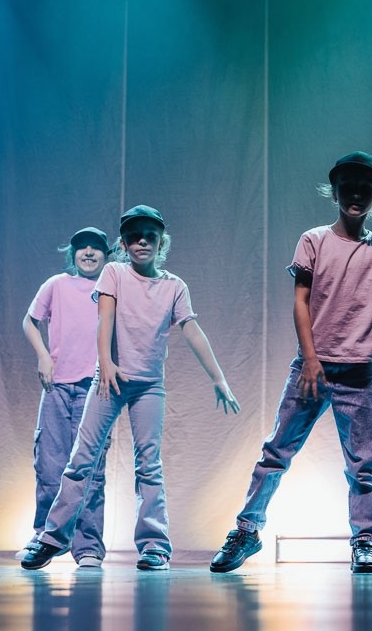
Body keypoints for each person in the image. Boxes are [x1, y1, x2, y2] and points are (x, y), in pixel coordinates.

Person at [209, 151, 372, 575]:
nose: (356, 195)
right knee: (276, 453)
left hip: (358, 373)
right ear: (334, 192)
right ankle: (247, 531)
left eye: (365, 188)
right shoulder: (314, 240)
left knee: (362, 465)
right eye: (347, 187)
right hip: (312, 370)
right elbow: (300, 301)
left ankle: (364, 541)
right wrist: (311, 359)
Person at [21, 205, 240, 571]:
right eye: (134, 237)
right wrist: (105, 362)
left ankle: (155, 545)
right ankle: (53, 537)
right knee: (80, 460)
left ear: (161, 242)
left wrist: (218, 378)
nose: (142, 242)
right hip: (109, 381)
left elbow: (192, 330)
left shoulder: (174, 286)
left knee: (149, 465)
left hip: (148, 386)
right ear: (123, 244)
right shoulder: (115, 273)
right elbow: (104, 318)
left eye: (149, 236)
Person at [17, 227, 112, 568]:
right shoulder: (57, 284)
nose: (88, 252)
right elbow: (30, 321)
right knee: (49, 466)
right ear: (72, 254)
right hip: (57, 387)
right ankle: (43, 536)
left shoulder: (111, 291)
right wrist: (44, 356)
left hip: (96, 389)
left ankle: (88, 546)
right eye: (82, 247)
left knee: (91, 471)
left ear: (106, 255)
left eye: (96, 247)